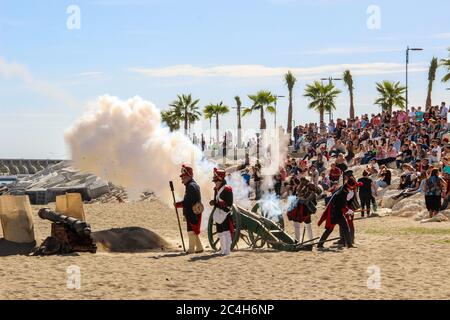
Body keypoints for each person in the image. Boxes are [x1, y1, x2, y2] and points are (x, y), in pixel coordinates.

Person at [317, 177, 358, 251]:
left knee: (346, 227)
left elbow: (343, 205)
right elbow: (341, 205)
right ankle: (320, 244)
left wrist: (348, 210)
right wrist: (348, 210)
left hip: (339, 213)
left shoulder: (344, 190)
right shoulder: (341, 193)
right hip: (334, 213)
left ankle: (349, 244)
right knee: (329, 229)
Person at [174, 164, 204, 254]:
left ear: (188, 176)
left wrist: (177, 204)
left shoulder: (191, 186)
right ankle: (199, 248)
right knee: (193, 231)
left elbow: (187, 202)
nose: (182, 179)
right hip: (192, 211)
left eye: (183, 177)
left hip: (192, 212)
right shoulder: (191, 185)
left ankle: (191, 250)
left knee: (191, 231)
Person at [210, 168, 234, 255]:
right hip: (218, 213)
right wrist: (214, 203)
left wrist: (216, 204)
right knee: (220, 232)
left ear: (221, 180)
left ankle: (227, 250)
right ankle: (222, 249)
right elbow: (216, 202)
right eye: (215, 181)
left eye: (216, 181)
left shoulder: (227, 189)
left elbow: (229, 204)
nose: (215, 183)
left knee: (226, 232)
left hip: (225, 213)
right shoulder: (216, 190)